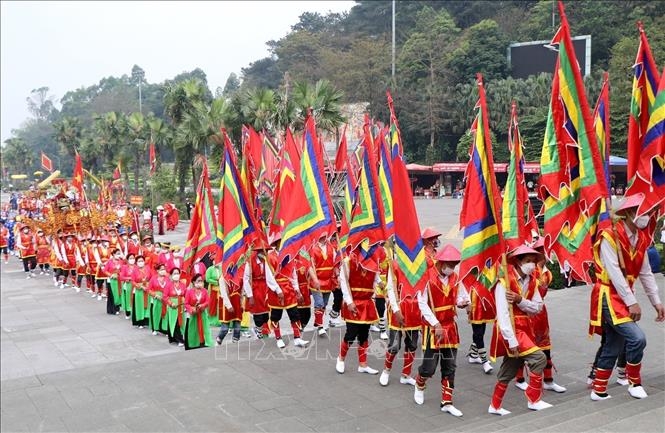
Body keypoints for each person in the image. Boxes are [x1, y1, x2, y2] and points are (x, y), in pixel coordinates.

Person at [588, 195, 664, 401]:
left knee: (613, 344)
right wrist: (632, 302)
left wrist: (656, 301)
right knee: (637, 338)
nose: (648, 216)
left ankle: (598, 389)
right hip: (608, 295)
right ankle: (634, 382)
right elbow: (613, 273)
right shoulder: (609, 236)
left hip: (624, 295)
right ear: (630, 213)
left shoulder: (640, 239)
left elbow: (646, 273)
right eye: (644, 212)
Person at [488, 245, 552, 415]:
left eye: (533, 261)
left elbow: (537, 307)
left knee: (510, 368)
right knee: (539, 358)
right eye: (528, 261)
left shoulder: (532, 281)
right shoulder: (504, 282)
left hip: (526, 328)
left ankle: (494, 405)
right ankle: (534, 398)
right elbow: (502, 314)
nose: (531, 265)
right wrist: (512, 340)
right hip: (511, 330)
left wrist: (520, 300)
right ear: (518, 261)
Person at [413, 244, 469, 417]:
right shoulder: (427, 279)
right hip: (433, 328)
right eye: (449, 264)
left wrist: (464, 303)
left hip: (450, 327)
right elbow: (422, 304)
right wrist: (435, 324)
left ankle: (447, 401)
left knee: (450, 365)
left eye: (454, 264)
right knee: (430, 367)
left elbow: (462, 296)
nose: (451, 268)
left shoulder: (455, 278)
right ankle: (420, 383)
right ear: (440, 262)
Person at [514, 237, 567, 394]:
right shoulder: (531, 271)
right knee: (525, 346)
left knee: (545, 346)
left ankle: (549, 380)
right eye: (543, 250)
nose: (546, 252)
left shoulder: (548, 273)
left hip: (541, 313)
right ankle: (520, 379)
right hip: (526, 313)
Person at [379, 243, 422, 387]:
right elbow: (390, 289)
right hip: (399, 311)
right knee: (394, 346)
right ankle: (386, 370)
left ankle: (406, 374)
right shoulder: (394, 266)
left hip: (415, 312)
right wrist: (396, 310)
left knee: (412, 344)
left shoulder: (419, 267)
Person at [335, 244, 381, 375]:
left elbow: (376, 278)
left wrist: (380, 284)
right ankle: (341, 359)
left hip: (366, 303)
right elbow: (343, 283)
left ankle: (363, 364)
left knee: (364, 334)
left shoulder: (374, 260)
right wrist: (349, 302)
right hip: (354, 302)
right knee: (351, 334)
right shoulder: (348, 261)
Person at [266, 235, 308, 348]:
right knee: (275, 315)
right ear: (277, 242)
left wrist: (297, 289)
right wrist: (277, 290)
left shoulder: (289, 254)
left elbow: (293, 273)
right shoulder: (269, 257)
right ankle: (278, 338)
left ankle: (297, 338)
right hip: (276, 289)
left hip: (288, 289)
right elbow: (269, 277)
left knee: (294, 314)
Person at [310, 233, 337, 336]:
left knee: (324, 304)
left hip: (328, 280)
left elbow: (335, 262)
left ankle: (318, 322)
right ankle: (320, 327)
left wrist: (337, 274)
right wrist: (315, 279)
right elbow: (310, 265)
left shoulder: (331, 247)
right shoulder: (312, 248)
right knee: (319, 303)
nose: (325, 235)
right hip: (316, 280)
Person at [243, 245, 272, 339]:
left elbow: (270, 276)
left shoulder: (266, 262)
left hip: (265, 289)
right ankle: (258, 329)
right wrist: (250, 295)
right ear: (258, 252)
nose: (266, 253)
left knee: (266, 315)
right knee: (258, 314)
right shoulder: (250, 263)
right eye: (264, 251)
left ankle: (260, 329)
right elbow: (246, 279)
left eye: (267, 251)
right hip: (255, 289)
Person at [184, 273, 213, 350]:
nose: (200, 282)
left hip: (202, 313)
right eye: (198, 281)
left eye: (201, 281)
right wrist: (192, 309)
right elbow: (186, 304)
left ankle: (204, 342)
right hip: (193, 314)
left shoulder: (205, 291)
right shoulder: (189, 291)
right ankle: (193, 343)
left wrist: (202, 305)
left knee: (204, 327)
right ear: (194, 282)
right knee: (193, 329)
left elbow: (208, 301)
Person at [216, 270, 243, 345]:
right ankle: (219, 340)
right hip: (226, 303)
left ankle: (235, 342)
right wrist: (229, 305)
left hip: (237, 302)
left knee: (237, 325)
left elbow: (241, 290)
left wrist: (241, 304)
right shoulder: (223, 277)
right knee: (225, 328)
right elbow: (223, 293)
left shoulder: (239, 275)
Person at [148, 263, 172, 336]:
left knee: (165, 313)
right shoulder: (153, 278)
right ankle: (155, 328)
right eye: (161, 269)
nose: (163, 271)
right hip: (156, 299)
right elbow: (149, 289)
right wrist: (155, 295)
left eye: (164, 269)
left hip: (164, 299)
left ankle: (164, 329)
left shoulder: (168, 278)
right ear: (157, 270)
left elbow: (170, 288)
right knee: (155, 313)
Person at [165, 268, 187, 346]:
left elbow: (186, 295)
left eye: (177, 273)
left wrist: (185, 304)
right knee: (174, 322)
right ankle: (179, 339)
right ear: (171, 275)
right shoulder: (168, 285)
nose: (176, 275)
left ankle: (176, 337)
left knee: (180, 322)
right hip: (173, 307)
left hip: (181, 306)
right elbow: (165, 297)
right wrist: (171, 303)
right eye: (174, 274)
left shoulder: (183, 285)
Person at [131, 255, 151, 328]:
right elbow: (132, 281)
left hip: (147, 289)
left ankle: (147, 320)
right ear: (136, 262)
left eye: (142, 261)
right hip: (139, 290)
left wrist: (149, 286)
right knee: (140, 305)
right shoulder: (134, 270)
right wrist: (140, 286)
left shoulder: (148, 268)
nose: (141, 262)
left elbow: (152, 278)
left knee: (147, 305)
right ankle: (140, 322)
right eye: (139, 261)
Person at [119, 253, 137, 319]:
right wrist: (128, 278)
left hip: (135, 285)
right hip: (128, 285)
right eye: (130, 258)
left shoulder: (137, 267)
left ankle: (134, 312)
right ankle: (128, 312)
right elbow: (121, 277)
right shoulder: (124, 267)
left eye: (133, 258)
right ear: (127, 259)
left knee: (134, 298)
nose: (132, 260)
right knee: (128, 299)